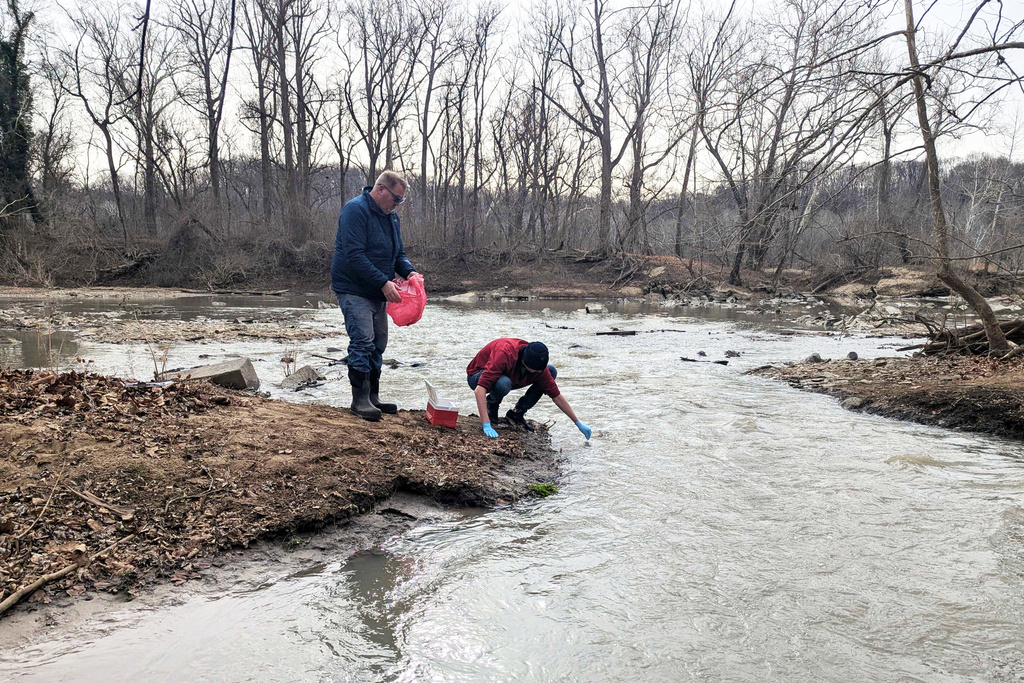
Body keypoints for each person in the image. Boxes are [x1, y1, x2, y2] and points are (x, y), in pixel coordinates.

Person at [332, 170, 417, 421]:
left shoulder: (391, 218)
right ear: (380, 190)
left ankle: (373, 396)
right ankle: (359, 401)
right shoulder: (354, 210)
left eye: (402, 200)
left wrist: (410, 273)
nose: (398, 205)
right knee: (363, 341)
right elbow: (354, 255)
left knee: (378, 344)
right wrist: (383, 282)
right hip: (353, 288)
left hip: (379, 290)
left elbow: (397, 254)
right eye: (397, 198)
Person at [466, 339, 592, 440]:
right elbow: (479, 390)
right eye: (536, 370)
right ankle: (491, 410)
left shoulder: (539, 367)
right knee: (503, 383)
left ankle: (517, 413)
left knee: (551, 371)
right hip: (476, 376)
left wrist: (578, 423)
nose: (539, 372)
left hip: (510, 375)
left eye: (539, 370)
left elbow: (556, 396)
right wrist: (485, 424)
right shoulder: (504, 353)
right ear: (525, 363)